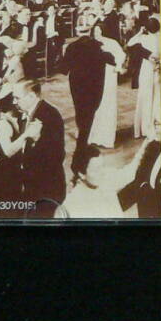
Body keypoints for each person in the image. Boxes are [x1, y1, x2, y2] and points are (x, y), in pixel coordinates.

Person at [58, 12, 115, 189]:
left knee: (82, 122)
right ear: (90, 30)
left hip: (78, 91)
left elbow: (63, 69)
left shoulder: (71, 48)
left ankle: (79, 162)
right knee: (86, 124)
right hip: (95, 91)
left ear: (77, 30)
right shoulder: (99, 46)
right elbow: (112, 60)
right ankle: (80, 160)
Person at [12, 79, 67, 216]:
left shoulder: (50, 116)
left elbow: (56, 157)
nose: (13, 102)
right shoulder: (24, 112)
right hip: (30, 187)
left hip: (46, 190)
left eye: (17, 98)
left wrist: (35, 141)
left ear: (31, 96)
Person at [88, 21, 126, 150]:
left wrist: (118, 66)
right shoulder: (90, 43)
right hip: (94, 77)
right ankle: (93, 137)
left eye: (99, 31)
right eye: (95, 31)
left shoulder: (111, 42)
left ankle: (106, 138)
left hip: (109, 76)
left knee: (107, 104)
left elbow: (121, 55)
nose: (97, 34)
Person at [127, 15, 161, 140]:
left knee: (145, 97)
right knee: (156, 97)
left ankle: (145, 127)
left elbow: (129, 44)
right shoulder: (160, 38)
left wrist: (139, 32)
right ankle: (155, 124)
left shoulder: (143, 38)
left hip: (146, 69)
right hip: (156, 68)